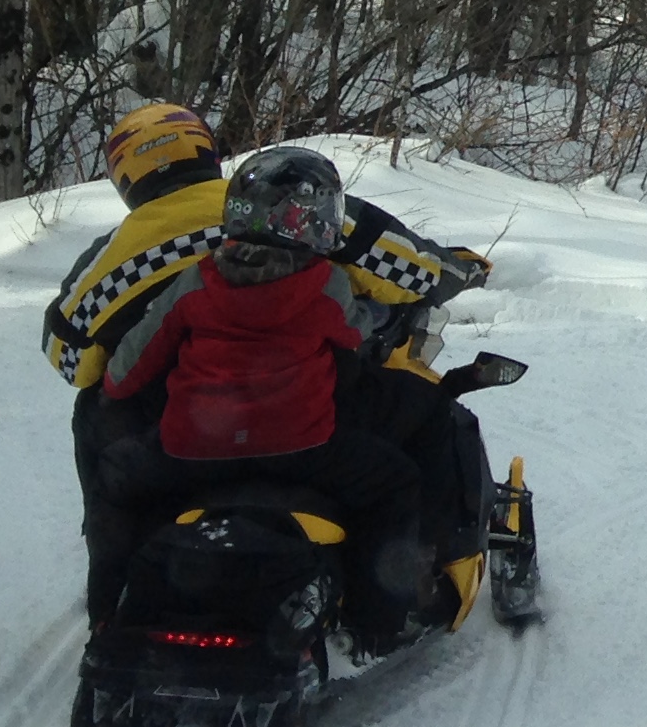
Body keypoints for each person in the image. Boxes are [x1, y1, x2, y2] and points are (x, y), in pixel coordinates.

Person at [48, 104, 482, 625]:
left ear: (124, 177)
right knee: (419, 409)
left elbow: (71, 358)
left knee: (94, 421)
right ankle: (407, 587)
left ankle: (112, 598)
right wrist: (456, 269)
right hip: (304, 427)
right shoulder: (300, 207)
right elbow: (415, 272)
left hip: (188, 428)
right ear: (208, 151)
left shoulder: (109, 260)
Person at [96, 146, 428, 649]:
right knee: (396, 484)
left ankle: (107, 612)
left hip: (192, 454)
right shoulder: (325, 286)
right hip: (301, 452)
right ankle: (374, 621)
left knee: (118, 480)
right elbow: (358, 341)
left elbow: (123, 374)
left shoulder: (193, 281)